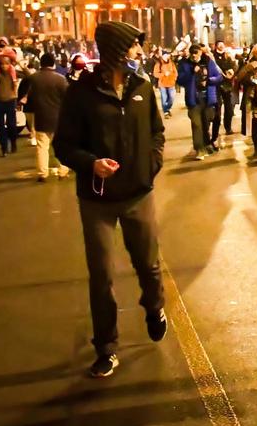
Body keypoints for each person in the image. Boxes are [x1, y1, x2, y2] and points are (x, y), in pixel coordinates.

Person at [53, 21, 167, 379]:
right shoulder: (81, 92)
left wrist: (150, 166)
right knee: (101, 275)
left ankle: (155, 307)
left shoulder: (142, 87)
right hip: (97, 199)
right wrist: (91, 164)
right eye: (133, 46)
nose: (138, 52)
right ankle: (106, 347)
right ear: (116, 50)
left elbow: (156, 133)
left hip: (137, 193)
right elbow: (64, 145)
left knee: (148, 265)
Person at [23, 53, 70, 181]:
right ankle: (63, 171)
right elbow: (68, 98)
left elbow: (27, 95)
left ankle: (42, 173)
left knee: (42, 147)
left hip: (41, 117)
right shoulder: (60, 79)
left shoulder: (34, 78)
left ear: (41, 64)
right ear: (53, 63)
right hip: (58, 118)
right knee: (61, 146)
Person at [177, 43, 223, 159]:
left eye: (196, 54)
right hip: (193, 99)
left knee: (205, 123)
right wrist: (192, 72)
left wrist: (208, 81)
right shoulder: (185, 64)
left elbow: (218, 77)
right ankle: (200, 149)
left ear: (201, 53)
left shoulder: (208, 62)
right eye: (192, 55)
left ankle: (207, 144)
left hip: (208, 98)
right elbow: (180, 80)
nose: (194, 57)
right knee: (196, 124)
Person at [0, 39, 21, 156]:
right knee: (0, 127)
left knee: (11, 125)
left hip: (10, 101)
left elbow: (28, 75)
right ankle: (4, 147)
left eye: (6, 63)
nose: (4, 66)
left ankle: (13, 142)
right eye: (2, 63)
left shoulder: (12, 71)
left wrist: (18, 64)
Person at [212, 41, 238, 140]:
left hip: (227, 85)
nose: (221, 46)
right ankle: (216, 129)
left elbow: (234, 66)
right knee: (217, 108)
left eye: (222, 44)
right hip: (217, 85)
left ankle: (228, 127)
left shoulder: (228, 55)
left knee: (229, 108)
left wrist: (232, 71)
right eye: (219, 44)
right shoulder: (212, 57)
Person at [156, 50, 177, 118]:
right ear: (163, 55)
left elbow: (175, 72)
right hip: (162, 84)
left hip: (171, 83)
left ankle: (168, 108)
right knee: (164, 99)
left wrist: (174, 78)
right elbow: (155, 73)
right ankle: (166, 112)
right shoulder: (159, 63)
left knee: (172, 98)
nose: (169, 56)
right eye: (167, 54)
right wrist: (163, 74)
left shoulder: (171, 63)